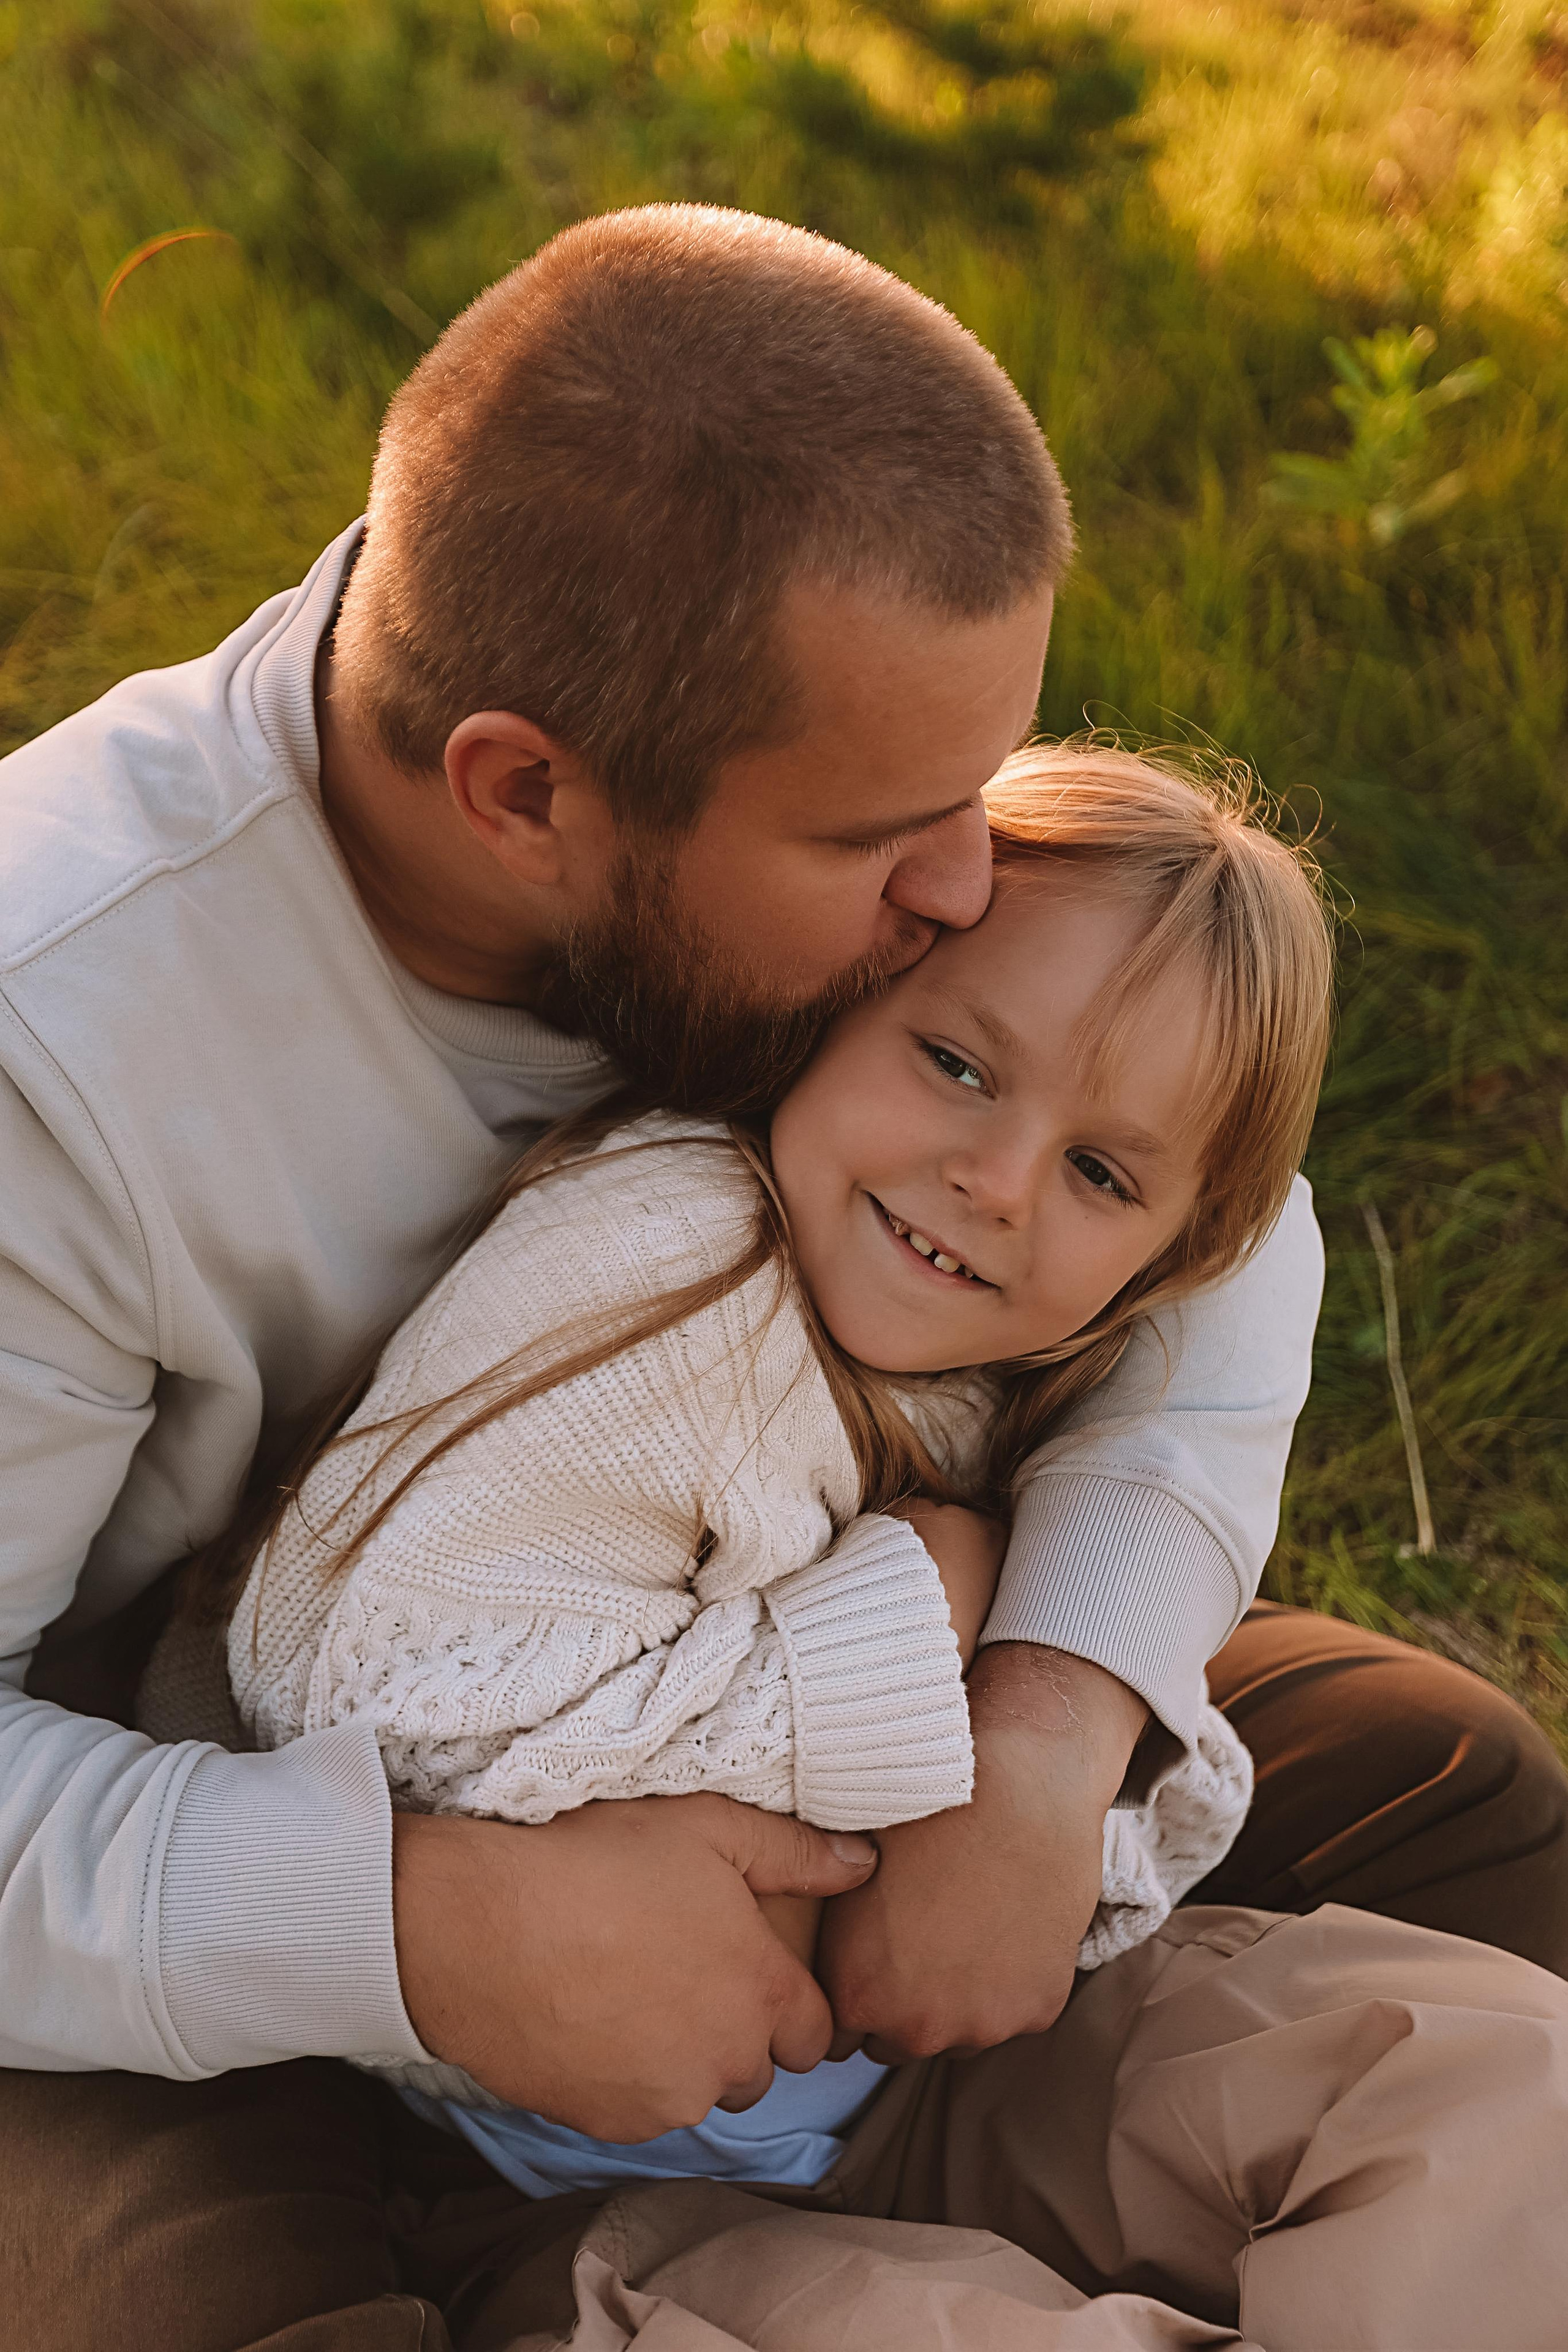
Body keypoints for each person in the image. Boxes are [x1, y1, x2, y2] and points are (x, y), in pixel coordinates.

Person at [1, 206, 1564, 2349]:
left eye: (970, 796)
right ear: (526, 794)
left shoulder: (783, 762)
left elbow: (1211, 1241)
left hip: (794, 1680)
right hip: (204, 1873)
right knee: (207, 2312)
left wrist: (1040, 1726)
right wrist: (424, 1926)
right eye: (885, 843)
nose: (960, 879)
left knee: (1449, 1786)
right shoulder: (54, 1053)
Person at [149, 742, 1322, 2194]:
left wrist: (1048, 1785)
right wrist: (922, 1621)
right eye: (953, 1064)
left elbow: (1269, 1242)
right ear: (832, 1003)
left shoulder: (964, 1301)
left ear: (1174, 1253)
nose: (1000, 1183)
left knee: (1452, 1935)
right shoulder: (668, 1269)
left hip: (827, 2096)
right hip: (529, 2129)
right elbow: (385, 1712)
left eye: (1100, 1174)